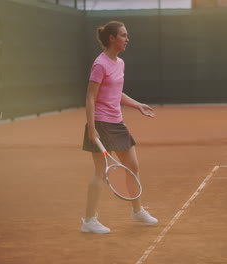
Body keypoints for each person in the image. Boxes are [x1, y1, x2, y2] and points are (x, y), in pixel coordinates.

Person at [81, 21, 158, 234]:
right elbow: (90, 96)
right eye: (123, 35)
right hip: (101, 123)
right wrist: (91, 127)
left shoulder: (119, 63)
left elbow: (117, 93)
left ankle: (137, 211)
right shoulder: (100, 64)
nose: (127, 39)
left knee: (132, 165)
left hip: (117, 122)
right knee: (100, 173)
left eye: (126, 35)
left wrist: (137, 105)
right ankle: (89, 220)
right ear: (112, 38)